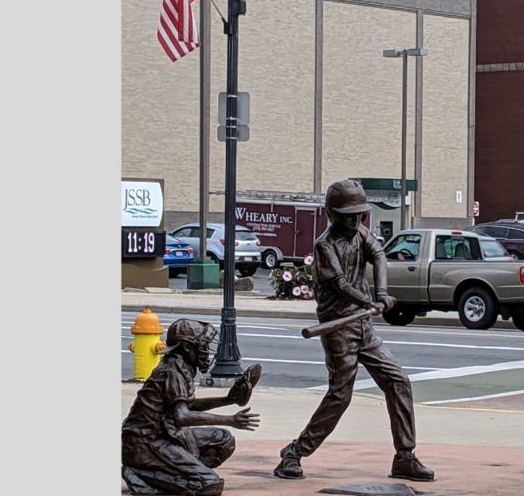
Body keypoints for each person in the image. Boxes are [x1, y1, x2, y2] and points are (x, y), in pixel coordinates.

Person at [273, 179, 435, 482]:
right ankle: (294, 452)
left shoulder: (361, 233)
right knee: (340, 396)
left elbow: (379, 256)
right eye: (348, 215)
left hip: (363, 326)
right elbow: (340, 285)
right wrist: (369, 301)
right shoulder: (325, 245)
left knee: (398, 381)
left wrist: (382, 292)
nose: (356, 219)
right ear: (332, 214)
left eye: (360, 214)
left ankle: (405, 457)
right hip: (339, 329)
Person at [122, 319, 262, 495]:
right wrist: (230, 420)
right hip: (144, 443)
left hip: (167, 434)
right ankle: (139, 473)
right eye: (203, 345)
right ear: (187, 347)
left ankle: (179, 471)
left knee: (223, 441)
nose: (207, 351)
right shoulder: (171, 371)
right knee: (209, 485)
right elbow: (182, 416)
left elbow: (188, 405)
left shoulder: (182, 365)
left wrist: (228, 400)